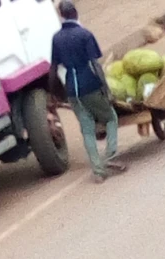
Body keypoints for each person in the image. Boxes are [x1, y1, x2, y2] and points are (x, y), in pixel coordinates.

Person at [48, 0, 123, 180]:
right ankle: (110, 154)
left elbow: (53, 68)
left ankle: (98, 172)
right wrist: (105, 88)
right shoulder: (85, 35)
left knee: (87, 129)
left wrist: (53, 94)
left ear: (61, 15)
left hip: (72, 90)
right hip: (89, 84)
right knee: (111, 117)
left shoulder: (56, 38)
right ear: (75, 13)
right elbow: (94, 65)